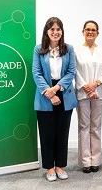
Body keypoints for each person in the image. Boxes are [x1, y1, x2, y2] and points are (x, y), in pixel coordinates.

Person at [32, 17, 78, 181]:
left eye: (58, 29)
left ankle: (60, 165)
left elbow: (71, 72)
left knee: (62, 132)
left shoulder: (69, 49)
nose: (55, 32)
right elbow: (36, 73)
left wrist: (56, 89)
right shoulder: (39, 49)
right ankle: (49, 168)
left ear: (62, 32)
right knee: (46, 133)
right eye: (52, 29)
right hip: (45, 95)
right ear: (47, 31)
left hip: (64, 92)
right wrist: (49, 93)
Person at [74, 20, 102, 173]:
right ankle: (85, 161)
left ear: (97, 33)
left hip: (98, 93)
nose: (90, 32)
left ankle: (95, 160)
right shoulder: (75, 50)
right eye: (87, 29)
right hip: (82, 93)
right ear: (83, 32)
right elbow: (74, 71)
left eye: (93, 30)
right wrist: (87, 87)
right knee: (84, 127)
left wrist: (95, 84)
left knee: (95, 127)